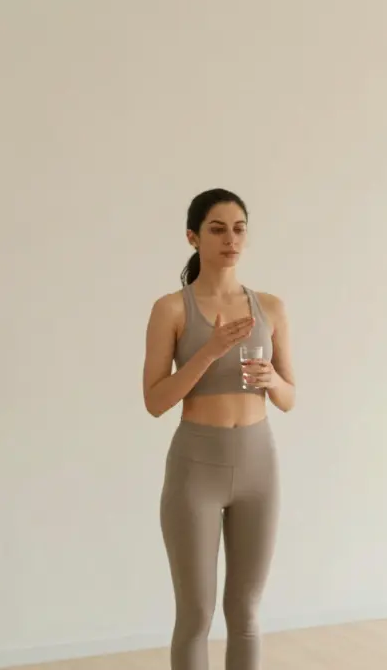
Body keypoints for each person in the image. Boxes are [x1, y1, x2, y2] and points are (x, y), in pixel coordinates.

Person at [141, 188, 297, 670]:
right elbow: (155, 401)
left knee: (246, 613)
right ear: (193, 237)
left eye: (239, 229)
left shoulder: (270, 306)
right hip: (196, 467)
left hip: (258, 464)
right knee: (195, 615)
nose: (231, 239)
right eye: (217, 229)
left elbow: (289, 398)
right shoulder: (171, 309)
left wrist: (272, 381)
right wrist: (208, 351)